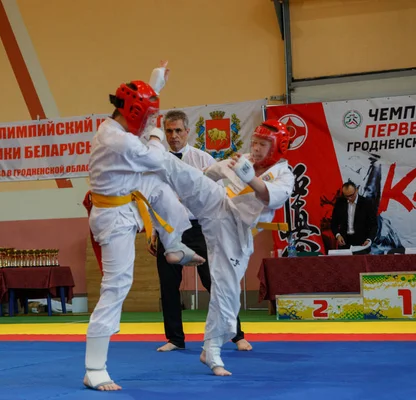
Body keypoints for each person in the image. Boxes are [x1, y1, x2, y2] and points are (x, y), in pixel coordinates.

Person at [83, 62, 205, 391]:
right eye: (149, 116)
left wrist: (155, 86)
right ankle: (94, 368)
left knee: (160, 186)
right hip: (113, 218)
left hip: (129, 197)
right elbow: (154, 155)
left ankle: (175, 245)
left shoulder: (119, 128)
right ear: (136, 113)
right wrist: (155, 129)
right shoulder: (116, 138)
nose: (153, 122)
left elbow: (153, 164)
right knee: (116, 286)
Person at [155, 119, 294, 376]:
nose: (256, 148)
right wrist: (207, 177)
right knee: (176, 171)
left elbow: (267, 196)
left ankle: (211, 350)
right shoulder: (243, 161)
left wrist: (249, 177)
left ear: (277, 147)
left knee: (225, 293)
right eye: (254, 142)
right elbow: (209, 175)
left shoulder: (284, 174)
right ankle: (149, 144)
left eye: (263, 144)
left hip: (236, 232)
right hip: (217, 205)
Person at [149, 110, 252, 352]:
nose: (173, 136)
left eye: (178, 131)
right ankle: (175, 338)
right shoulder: (158, 161)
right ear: (164, 133)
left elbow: (216, 196)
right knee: (168, 284)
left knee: (215, 279)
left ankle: (236, 334)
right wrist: (155, 230)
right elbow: (152, 198)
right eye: (169, 131)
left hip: (200, 227)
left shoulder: (203, 159)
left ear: (187, 132)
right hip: (169, 228)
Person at [330, 181, 377, 254]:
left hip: (362, 243)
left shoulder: (367, 203)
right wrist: (338, 235)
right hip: (344, 243)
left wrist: (369, 239)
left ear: (356, 190)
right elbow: (333, 223)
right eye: (346, 196)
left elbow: (374, 225)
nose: (349, 198)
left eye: (351, 195)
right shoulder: (340, 203)